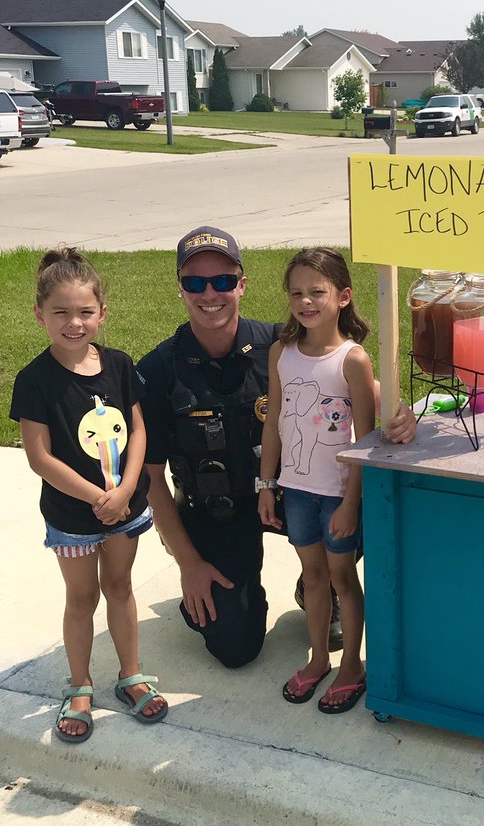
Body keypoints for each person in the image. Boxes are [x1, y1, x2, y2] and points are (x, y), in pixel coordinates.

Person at [137, 226, 416, 671]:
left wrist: (404, 416)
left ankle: (316, 581)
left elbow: (371, 393)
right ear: (181, 289)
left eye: (223, 281)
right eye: (195, 283)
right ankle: (226, 587)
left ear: (241, 285)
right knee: (235, 647)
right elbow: (148, 478)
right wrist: (189, 562)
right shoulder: (158, 368)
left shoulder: (281, 345)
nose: (210, 293)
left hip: (292, 491)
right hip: (217, 508)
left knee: (361, 506)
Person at [10, 248, 167, 743]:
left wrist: (123, 492)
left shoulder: (119, 366)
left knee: (120, 587)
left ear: (102, 314)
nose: (73, 323)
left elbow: (139, 431)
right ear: (39, 315)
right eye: (60, 312)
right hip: (71, 516)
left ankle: (131, 674)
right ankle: (79, 685)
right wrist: (99, 499)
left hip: (125, 509)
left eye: (84, 312)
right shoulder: (35, 381)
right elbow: (39, 457)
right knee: (82, 598)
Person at [259, 248, 372, 714]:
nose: (305, 302)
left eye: (317, 292)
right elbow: (274, 423)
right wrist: (267, 485)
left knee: (344, 577)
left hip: (337, 495)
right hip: (296, 490)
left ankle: (353, 667)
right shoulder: (281, 353)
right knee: (313, 576)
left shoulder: (353, 360)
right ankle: (319, 658)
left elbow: (367, 441)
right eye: (296, 293)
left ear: (343, 296)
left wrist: (351, 502)